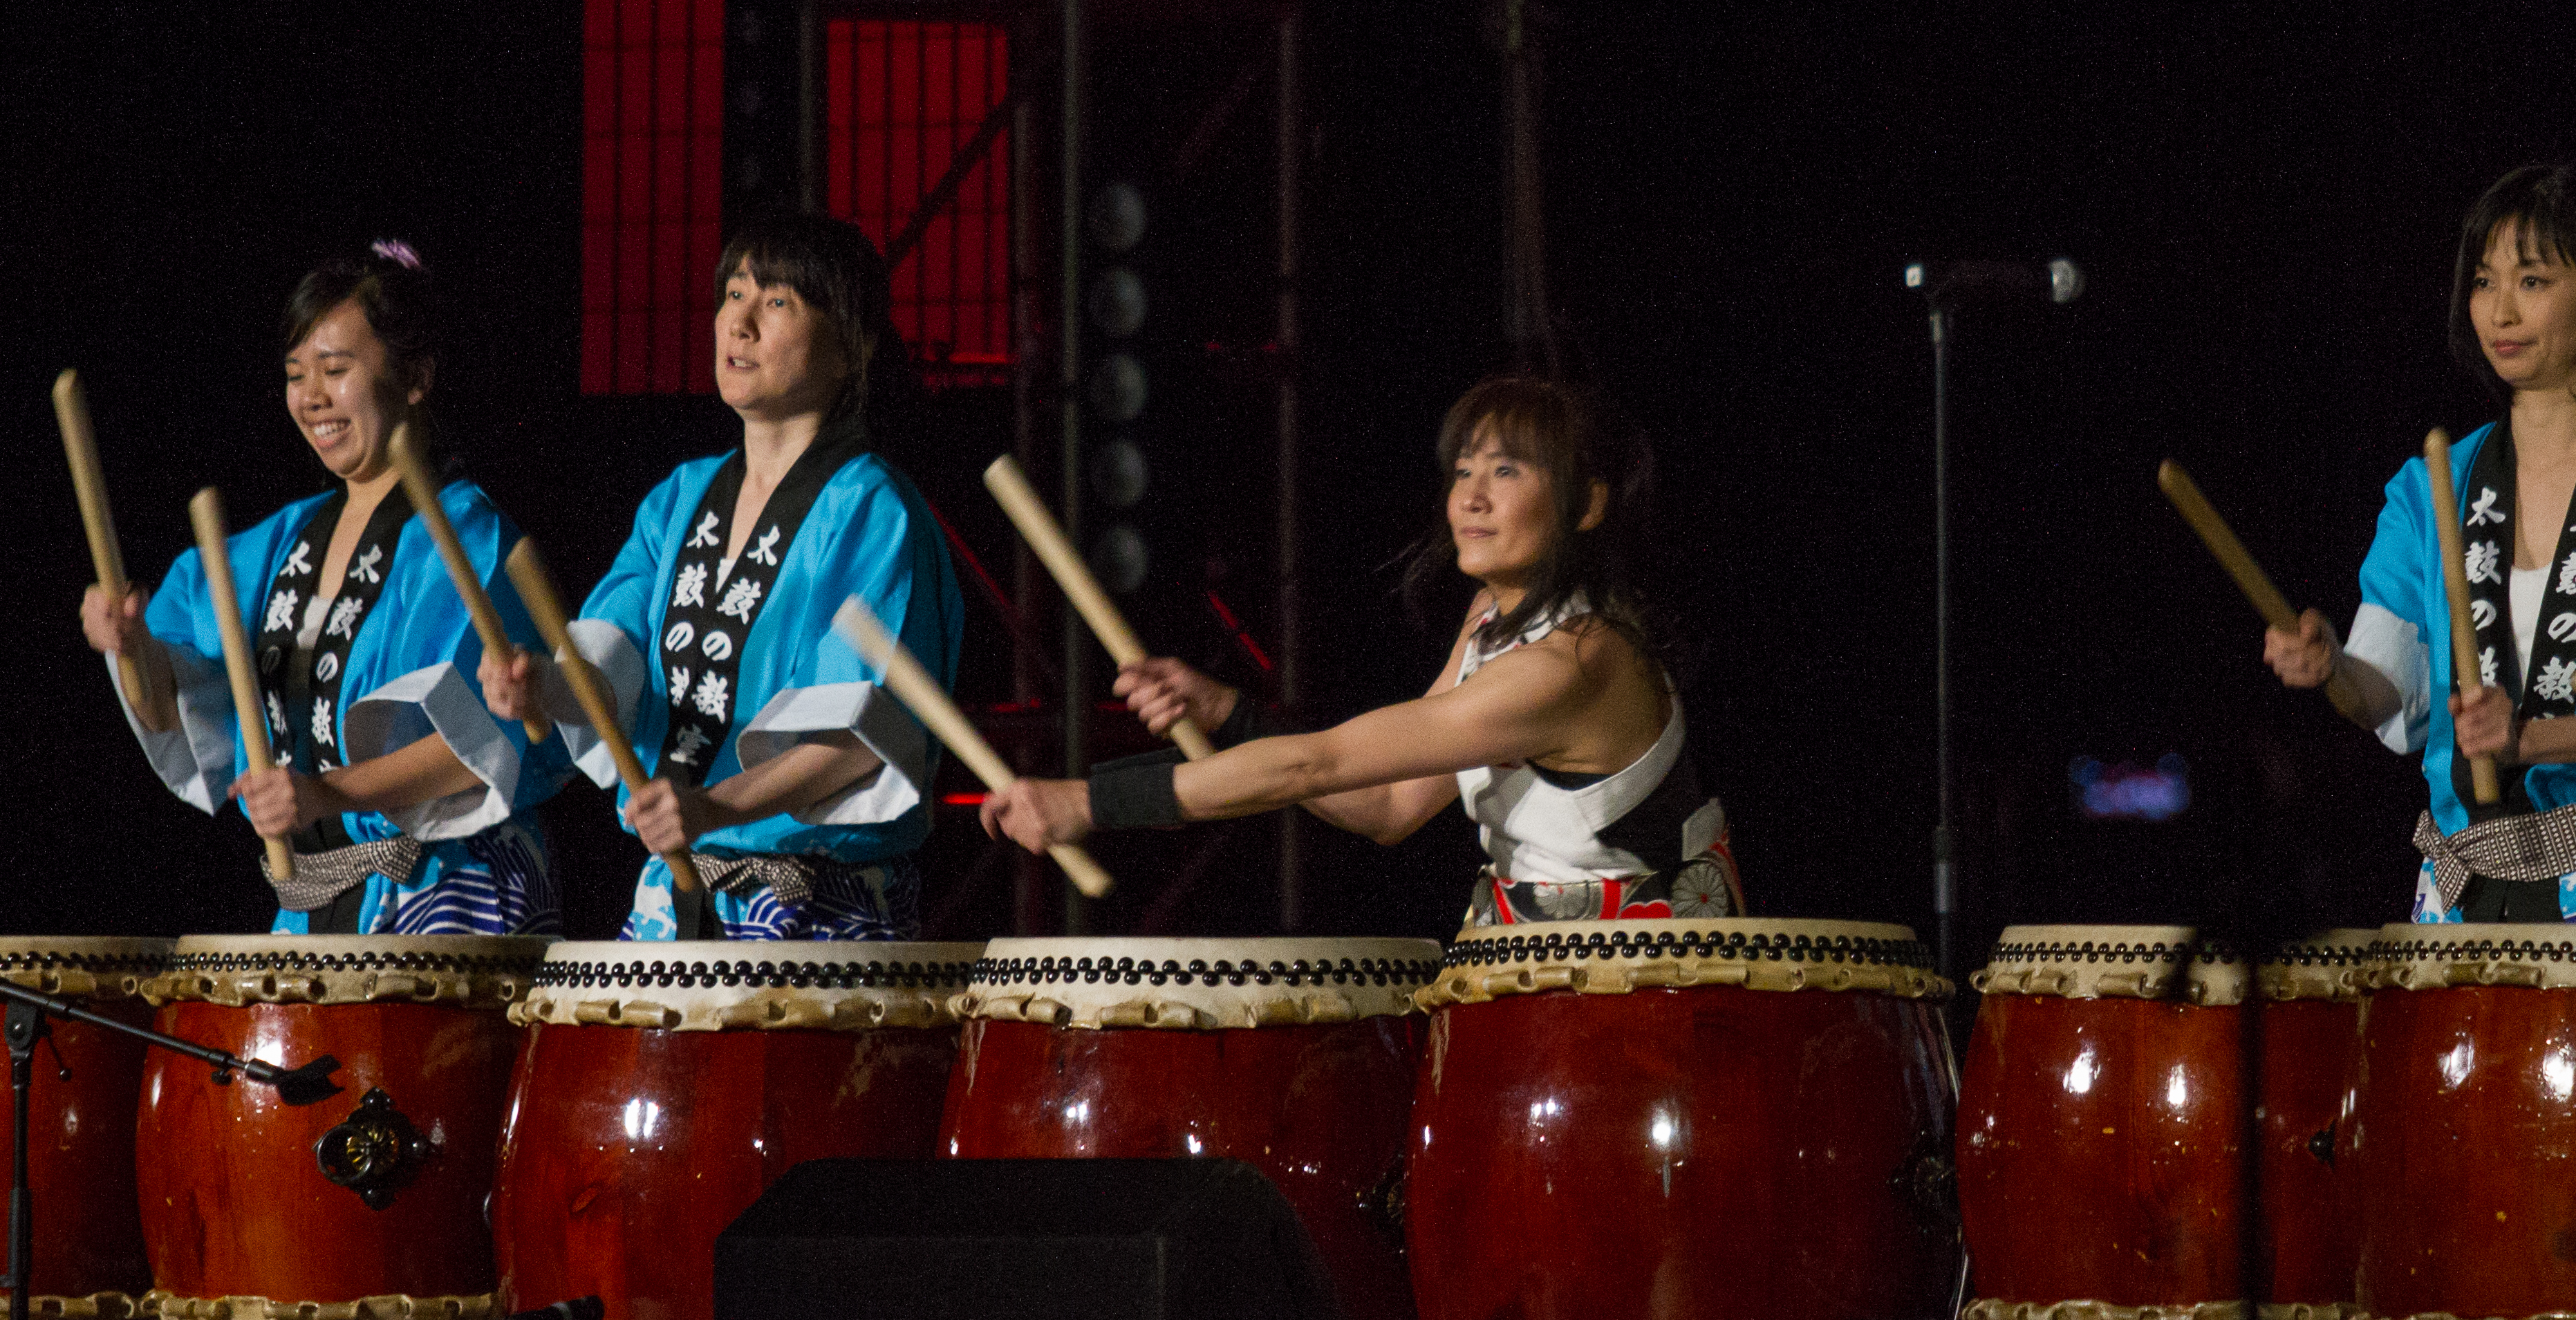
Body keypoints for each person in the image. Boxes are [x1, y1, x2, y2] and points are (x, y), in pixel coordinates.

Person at [980, 375, 1744, 924]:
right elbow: (1388, 805)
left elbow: (1321, 763)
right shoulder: (1492, 620)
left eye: (1506, 470)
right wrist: (1232, 712)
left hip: (1650, 994)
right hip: (1541, 976)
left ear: (1589, 503)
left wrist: (1088, 801)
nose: (1470, 496)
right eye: (1464, 470)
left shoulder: (1576, 661)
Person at [2266, 164, 2576, 922]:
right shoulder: (2435, 484)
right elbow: (2383, 691)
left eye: (2531, 281)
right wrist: (2332, 666)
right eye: (2485, 281)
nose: (2500, 310)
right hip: (2469, 874)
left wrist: (2530, 739)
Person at [480, 213, 962, 940]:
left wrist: (719, 807)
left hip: (814, 906)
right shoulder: (681, 498)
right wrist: (542, 686)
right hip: (674, 894)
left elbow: (866, 734)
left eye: (776, 304)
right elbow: (613, 655)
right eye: (733, 294)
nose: (738, 324)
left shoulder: (870, 509)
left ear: (851, 349)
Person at [82, 243, 563, 935]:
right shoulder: (271, 547)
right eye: (296, 374)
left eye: (336, 370)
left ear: (416, 377)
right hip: (314, 903)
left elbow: (491, 738)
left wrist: (324, 792)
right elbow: (166, 711)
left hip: (450, 890)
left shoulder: (470, 542)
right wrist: (129, 647)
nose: (311, 397)